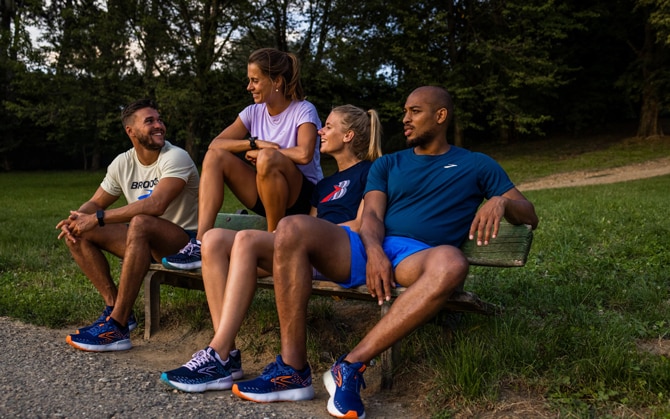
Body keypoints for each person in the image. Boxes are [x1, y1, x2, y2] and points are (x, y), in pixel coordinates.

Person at [231, 86, 540, 418]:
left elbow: (529, 214)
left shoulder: (477, 165)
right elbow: (373, 216)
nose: (405, 119)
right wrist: (375, 251)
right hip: (368, 247)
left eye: (415, 112)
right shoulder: (389, 164)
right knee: (292, 226)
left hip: (417, 256)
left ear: (440, 116)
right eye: (405, 111)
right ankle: (292, 370)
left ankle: (349, 366)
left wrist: (502, 201)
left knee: (452, 262)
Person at [159, 104, 383, 393]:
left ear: (349, 135)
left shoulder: (371, 171)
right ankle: (224, 351)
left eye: (328, 126)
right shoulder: (324, 184)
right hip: (305, 253)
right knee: (213, 239)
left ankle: (218, 353)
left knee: (247, 240)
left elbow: (365, 222)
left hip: (337, 254)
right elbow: (311, 222)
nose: (320, 131)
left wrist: (315, 235)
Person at [57, 99, 200, 352]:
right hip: (141, 239)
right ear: (130, 131)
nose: (159, 126)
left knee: (141, 222)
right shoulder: (123, 163)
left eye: (159, 120)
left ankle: (118, 327)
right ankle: (115, 309)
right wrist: (78, 219)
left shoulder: (176, 156)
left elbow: (156, 205)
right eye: (150, 121)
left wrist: (99, 218)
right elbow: (95, 201)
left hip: (182, 245)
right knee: (78, 234)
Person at [162, 48, 323, 271]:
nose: (249, 87)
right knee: (215, 157)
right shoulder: (252, 112)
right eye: (249, 80)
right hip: (266, 194)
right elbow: (215, 144)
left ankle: (274, 242)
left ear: (276, 81)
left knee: (267, 158)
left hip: (302, 198)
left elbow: (304, 154)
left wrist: (266, 154)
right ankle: (199, 243)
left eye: (255, 81)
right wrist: (255, 143)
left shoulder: (303, 110)